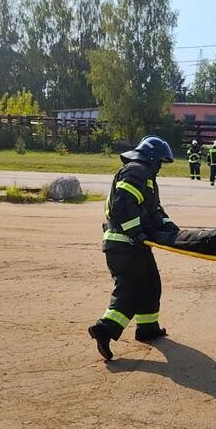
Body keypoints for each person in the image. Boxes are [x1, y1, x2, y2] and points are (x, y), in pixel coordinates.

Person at [88, 136, 178, 361]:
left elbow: (154, 211)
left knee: (150, 284)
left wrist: (170, 228)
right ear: (150, 158)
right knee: (131, 291)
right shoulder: (136, 171)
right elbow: (123, 206)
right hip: (123, 244)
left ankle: (147, 328)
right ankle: (105, 329)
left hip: (134, 245)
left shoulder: (146, 177)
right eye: (159, 162)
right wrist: (136, 232)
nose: (160, 167)